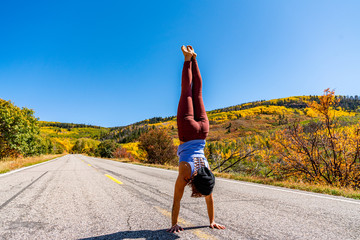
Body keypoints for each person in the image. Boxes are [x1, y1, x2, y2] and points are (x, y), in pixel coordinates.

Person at [167, 45, 226, 233]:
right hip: (187, 131)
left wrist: (212, 221)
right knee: (187, 92)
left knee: (198, 93)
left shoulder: (207, 174)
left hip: (203, 131)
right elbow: (177, 199)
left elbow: (210, 196)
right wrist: (174, 224)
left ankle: (194, 58)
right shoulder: (186, 171)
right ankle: (187, 59)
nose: (203, 195)